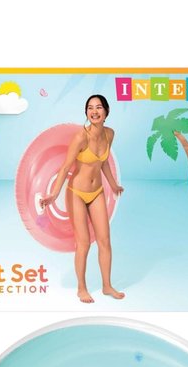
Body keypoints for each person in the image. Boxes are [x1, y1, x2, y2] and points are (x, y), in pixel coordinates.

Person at [40, 95, 125, 303]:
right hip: (76, 193)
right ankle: (81, 288)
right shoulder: (81, 137)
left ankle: (107, 286)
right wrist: (53, 195)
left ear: (106, 112)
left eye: (98, 107)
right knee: (84, 243)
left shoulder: (109, 134)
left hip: (97, 192)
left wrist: (113, 184)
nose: (94, 111)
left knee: (105, 241)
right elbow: (65, 167)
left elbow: (103, 162)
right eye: (90, 108)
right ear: (86, 112)